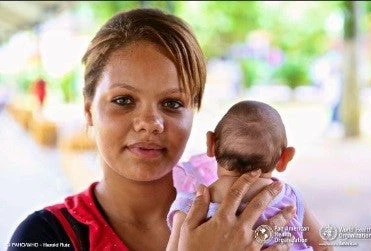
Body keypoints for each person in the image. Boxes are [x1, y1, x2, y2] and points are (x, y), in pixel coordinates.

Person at [9, 8, 296, 250]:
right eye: (123, 100)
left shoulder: (253, 216)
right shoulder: (43, 237)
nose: (150, 122)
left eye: (172, 103)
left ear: (193, 113)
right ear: (89, 112)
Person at [167, 101, 331, 251]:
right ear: (284, 158)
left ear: (211, 144)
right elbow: (323, 247)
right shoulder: (291, 200)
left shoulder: (190, 208)